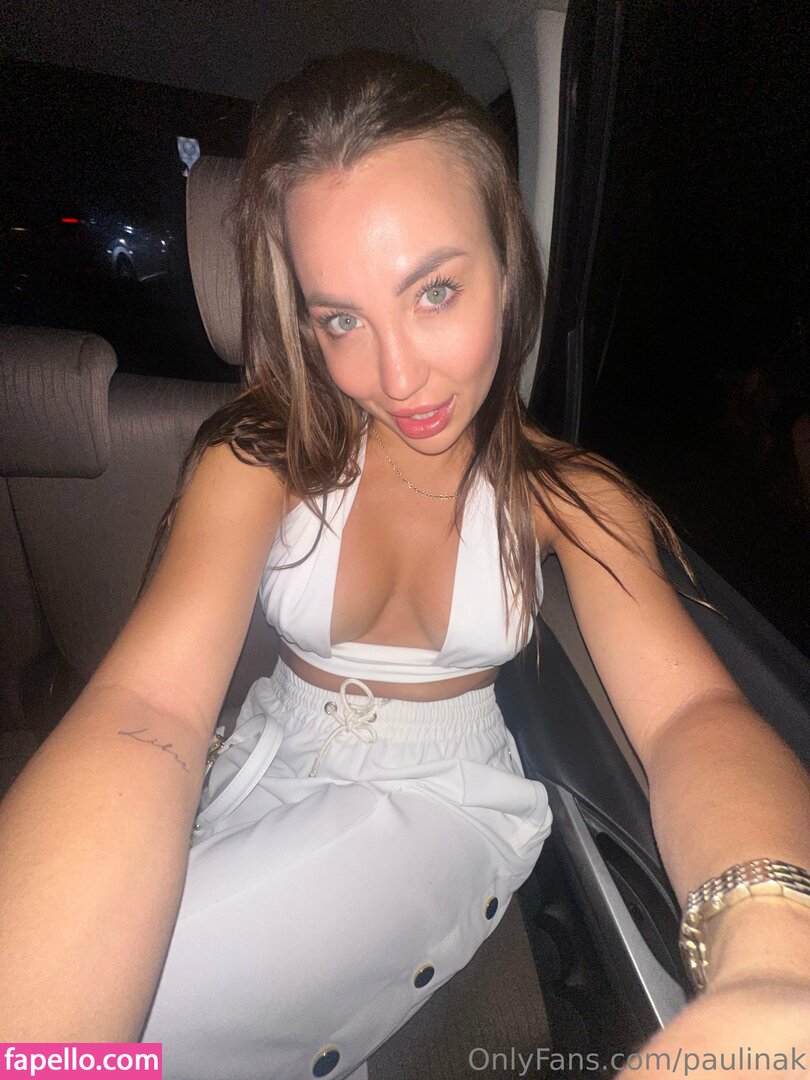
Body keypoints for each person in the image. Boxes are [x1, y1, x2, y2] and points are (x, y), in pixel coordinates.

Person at [1, 48, 809, 1079]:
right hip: (262, 756)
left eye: (434, 292)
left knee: (154, 1014)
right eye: (341, 318)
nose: (394, 376)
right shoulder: (259, 458)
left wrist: (773, 952)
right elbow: (146, 705)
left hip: (436, 805)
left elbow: (692, 713)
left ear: (508, 263)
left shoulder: (568, 495)